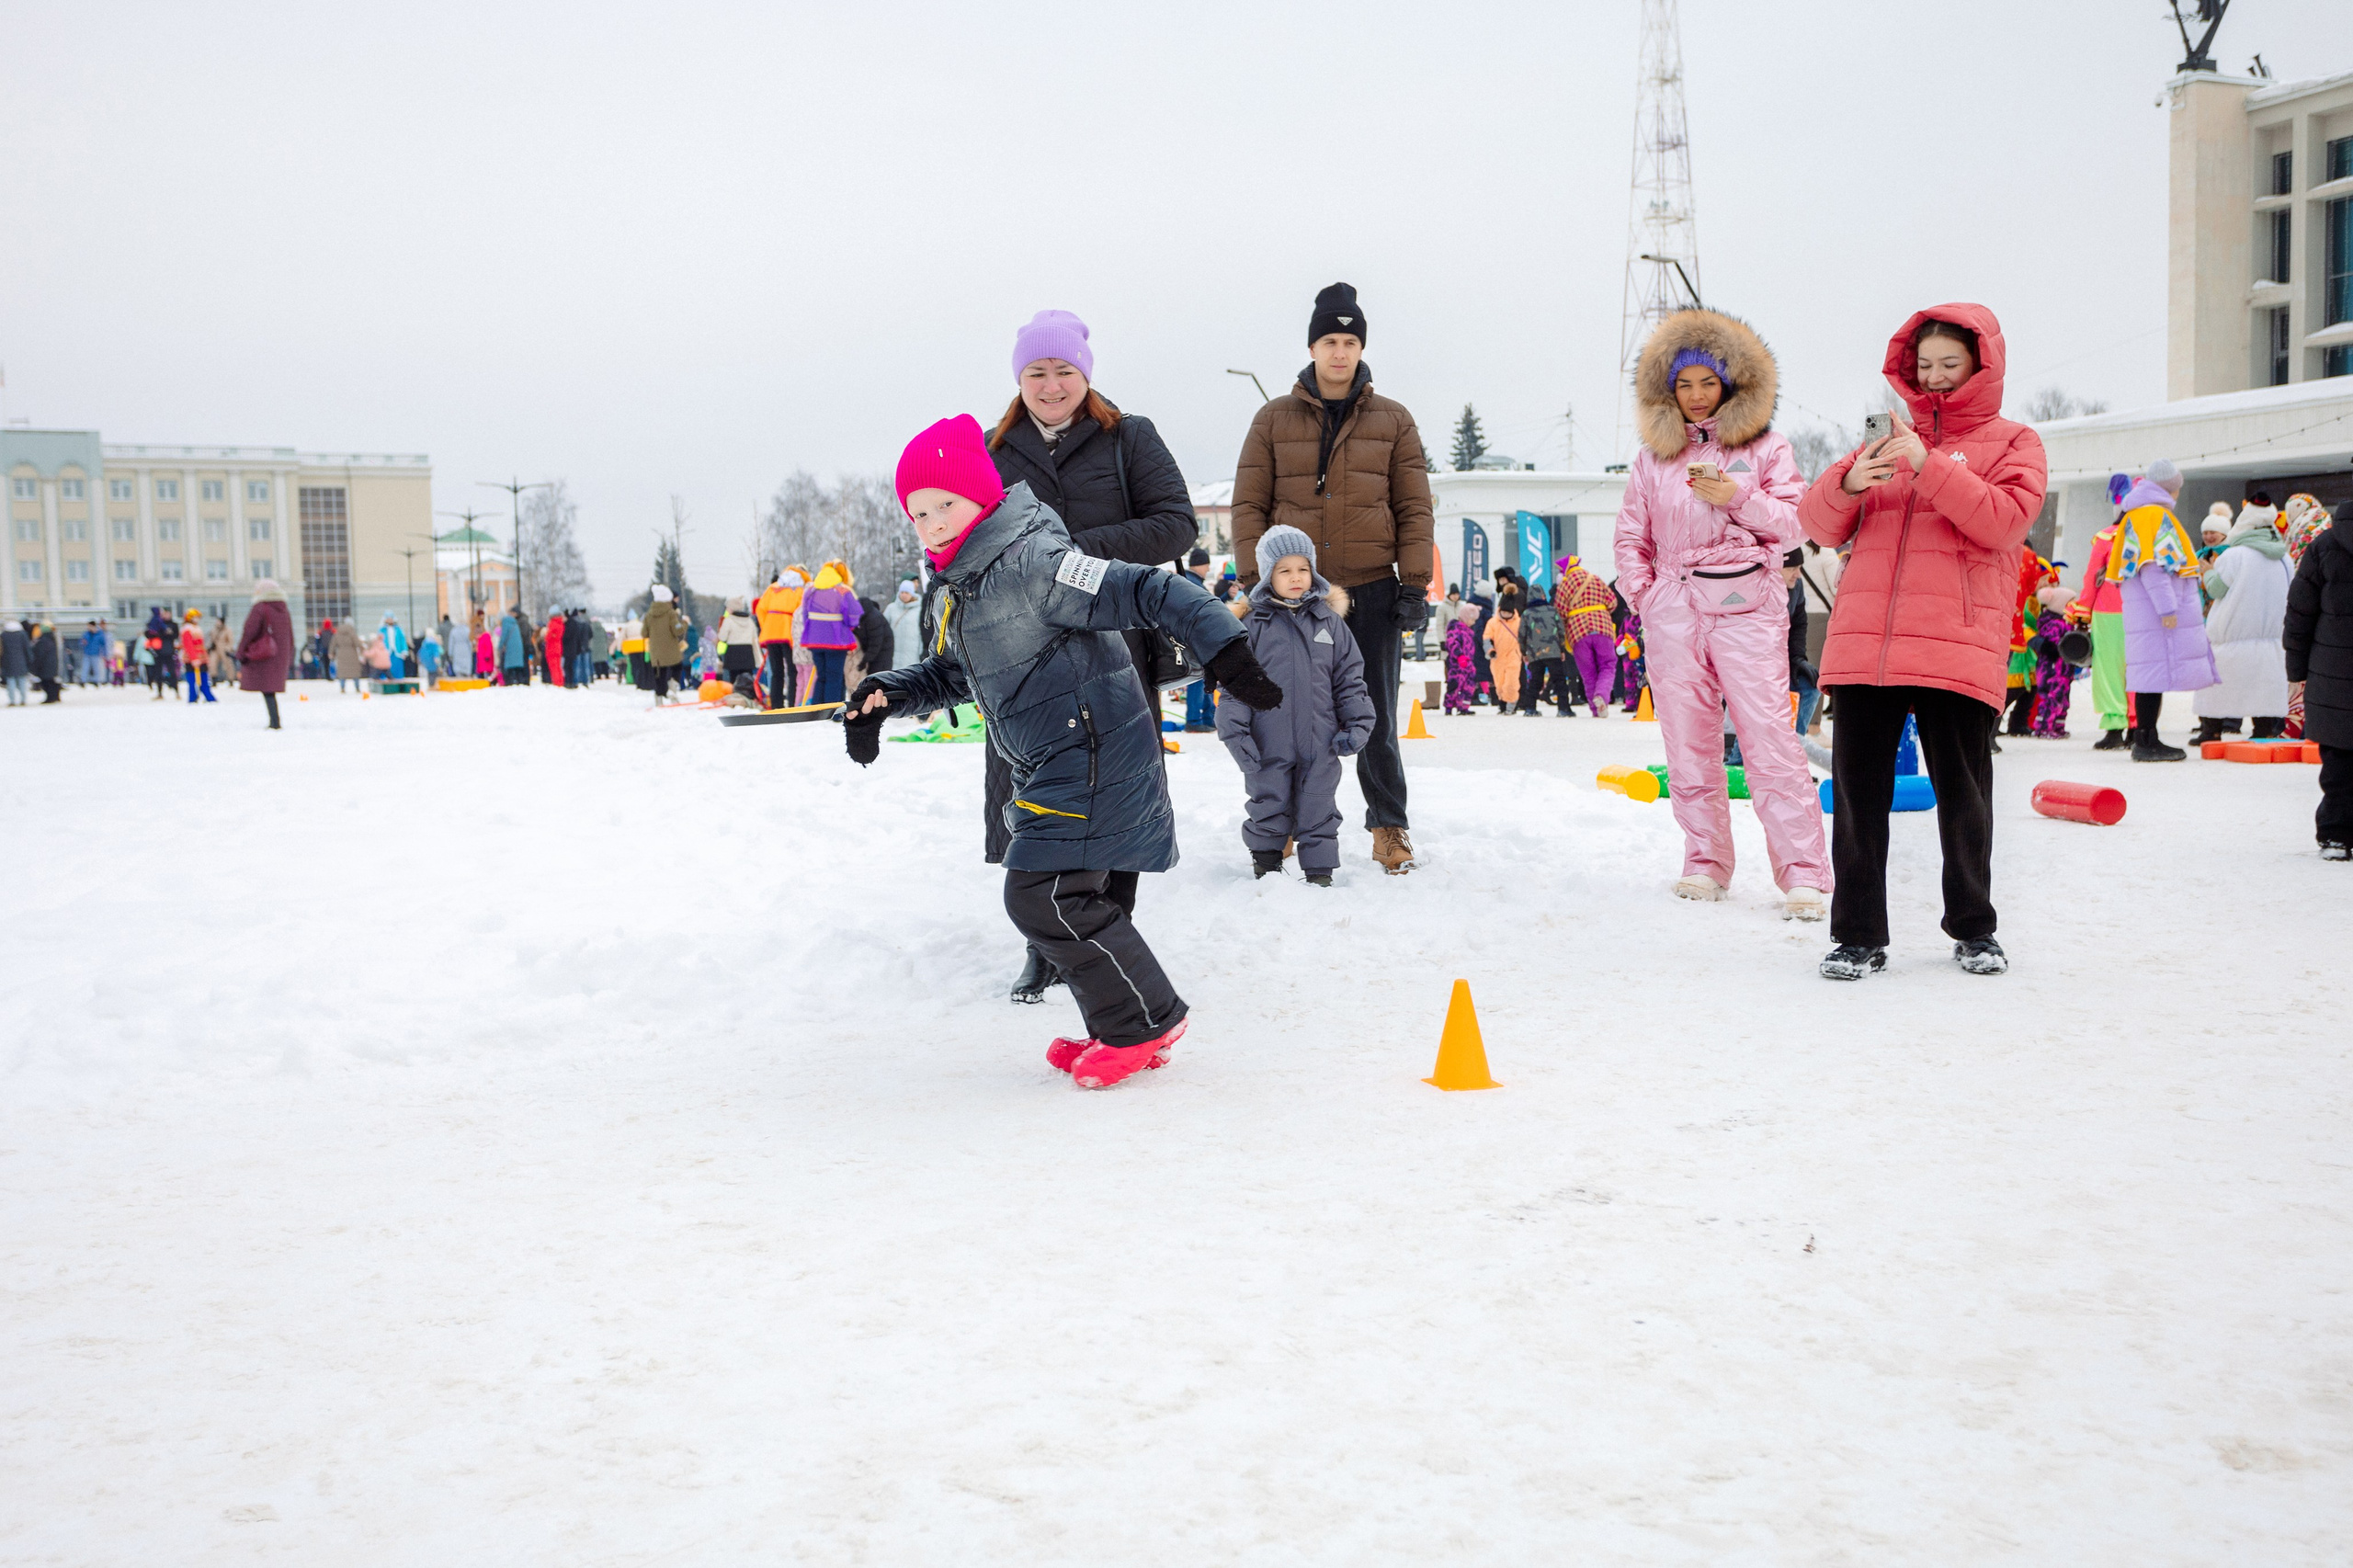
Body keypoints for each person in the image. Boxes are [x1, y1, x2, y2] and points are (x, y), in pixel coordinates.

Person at [843, 414, 1280, 1088]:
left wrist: (1226, 645)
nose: (931, 523)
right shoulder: (961, 585)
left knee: (1042, 897)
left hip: (1096, 749)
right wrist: (886, 694)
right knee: (1063, 896)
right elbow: (957, 673)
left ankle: (1144, 1022)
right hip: (1053, 758)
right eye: (918, 512)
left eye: (945, 505)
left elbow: (1151, 588)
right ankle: (1124, 1024)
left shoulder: (1035, 561)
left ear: (982, 498)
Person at [1799, 304, 2046, 980]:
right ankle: (1856, 936)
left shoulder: (2014, 442)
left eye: (1950, 365)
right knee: (1856, 799)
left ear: (1980, 367)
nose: (1934, 377)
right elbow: (1817, 524)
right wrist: (1850, 480)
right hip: (1867, 645)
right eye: (1924, 365)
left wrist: (1929, 463)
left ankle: (1974, 928)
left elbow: (2004, 523)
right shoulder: (1881, 444)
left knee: (1964, 796)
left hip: (1955, 645)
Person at [987, 308, 1202, 998]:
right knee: (1032, 789)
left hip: (1114, 638)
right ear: (1019, 379)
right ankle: (1045, 942)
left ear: (1086, 375)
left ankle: (1111, 927)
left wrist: (1075, 555)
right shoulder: (994, 450)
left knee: (1115, 782)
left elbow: (1175, 526)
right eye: (1036, 374)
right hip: (1024, 653)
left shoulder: (1128, 438)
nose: (1051, 387)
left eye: (1064, 372)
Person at [1617, 307, 1830, 920]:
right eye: (1683, 385)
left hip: (1747, 610)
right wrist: (1646, 596)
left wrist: (1736, 496)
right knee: (1687, 742)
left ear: (1731, 383)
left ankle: (1804, 871)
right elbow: (1632, 535)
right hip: (1672, 613)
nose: (1696, 396)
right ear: (1667, 390)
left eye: (1707, 382)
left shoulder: (1766, 448)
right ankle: (1705, 861)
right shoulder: (1652, 458)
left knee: (1769, 739)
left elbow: (1795, 525)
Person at [1230, 281, 1435, 875]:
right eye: (1329, 340)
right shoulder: (1272, 420)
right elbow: (1248, 506)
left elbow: (1414, 506)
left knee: (1373, 714)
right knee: (1287, 718)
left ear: (1361, 346)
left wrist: (1414, 584)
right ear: (1313, 346)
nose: (1339, 352)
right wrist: (1253, 580)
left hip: (1370, 588)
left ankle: (1388, 826)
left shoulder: (1393, 420)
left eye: (1349, 341)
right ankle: (1287, 823)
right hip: (1295, 595)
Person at [1218, 526, 1375, 885]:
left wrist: (1358, 722)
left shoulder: (1330, 623)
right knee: (1267, 798)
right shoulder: (1250, 626)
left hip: (1321, 738)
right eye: (1284, 570)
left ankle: (1319, 872)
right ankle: (1267, 863)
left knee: (1319, 803)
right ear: (1267, 574)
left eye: (1302, 569)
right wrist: (1235, 733)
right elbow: (1236, 686)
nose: (1295, 577)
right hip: (1266, 738)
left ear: (1313, 572)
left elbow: (1350, 679)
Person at [2107, 460, 2216, 761]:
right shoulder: (2154, 515)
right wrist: (2168, 608)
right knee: (2151, 677)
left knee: (2149, 675)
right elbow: (2153, 566)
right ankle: (2146, 741)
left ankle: (2146, 738)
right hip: (2156, 614)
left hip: (2144, 613)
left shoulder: (2139, 514)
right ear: (2170, 487)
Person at [2192, 500, 2292, 743]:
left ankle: (2212, 731)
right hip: (2271, 634)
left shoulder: (2235, 556)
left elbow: (2216, 589)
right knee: (2264, 686)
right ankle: (2264, 730)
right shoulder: (2284, 558)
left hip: (2232, 632)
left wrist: (2207, 571)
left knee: (2219, 685)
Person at [2282, 498, 2347, 858]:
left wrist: (2296, 669)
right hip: (2330, 670)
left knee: (2338, 754)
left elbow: (2299, 613)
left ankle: (2335, 835)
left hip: (2331, 671)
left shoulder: (2322, 545)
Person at [2071, 479, 2133, 748]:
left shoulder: (2106, 537)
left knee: (2110, 670)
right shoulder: (2152, 538)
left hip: (2108, 612)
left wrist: (2082, 613)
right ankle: (2138, 726)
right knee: (2137, 671)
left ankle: (2114, 729)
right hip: (2141, 613)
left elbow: (2090, 579)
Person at [1553, 555, 1618, 719]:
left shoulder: (1565, 585)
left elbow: (1560, 611)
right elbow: (1612, 602)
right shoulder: (1595, 579)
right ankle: (1601, 696)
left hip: (1578, 632)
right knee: (1607, 665)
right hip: (1602, 628)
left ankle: (1596, 710)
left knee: (1588, 673)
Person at [792, 564, 861, 704]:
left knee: (821, 675)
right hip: (837, 641)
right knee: (834, 676)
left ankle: (818, 709)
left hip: (814, 641)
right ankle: (833, 711)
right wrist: (849, 626)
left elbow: (805, 615)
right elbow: (854, 614)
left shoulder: (810, 592)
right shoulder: (842, 592)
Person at [234, 578, 294, 729]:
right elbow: (290, 634)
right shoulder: (283, 608)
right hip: (279, 653)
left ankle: (275, 722)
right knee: (270, 687)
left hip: (264, 654)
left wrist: (241, 651)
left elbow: (249, 631)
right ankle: (275, 720)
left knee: (267, 687)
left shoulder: (260, 607)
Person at [754, 567, 807, 710]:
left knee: (776, 672)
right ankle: (792, 704)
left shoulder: (772, 589)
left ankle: (776, 705)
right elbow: (801, 613)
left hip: (770, 633)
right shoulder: (798, 591)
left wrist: (767, 625)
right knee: (792, 671)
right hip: (788, 633)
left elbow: (760, 609)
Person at [1517, 588, 1570, 715]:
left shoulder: (1526, 614)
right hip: (1553, 651)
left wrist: (1524, 653)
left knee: (1535, 680)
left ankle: (1530, 708)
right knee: (1559, 680)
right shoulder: (1552, 611)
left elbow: (1521, 635)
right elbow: (1561, 631)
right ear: (1543, 596)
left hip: (1535, 653)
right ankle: (1563, 709)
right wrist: (1562, 649)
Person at [1181, 549, 1218, 730]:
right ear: (1199, 564)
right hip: (1195, 638)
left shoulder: (1192, 581)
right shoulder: (1192, 582)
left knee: (1203, 677)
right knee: (1197, 678)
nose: (1208, 567)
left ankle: (1206, 718)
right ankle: (1195, 720)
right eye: (1206, 563)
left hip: (1195, 637)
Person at [642, 584, 688, 702]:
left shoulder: (649, 615)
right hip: (671, 649)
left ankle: (659, 698)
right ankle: (672, 687)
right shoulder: (670, 613)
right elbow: (678, 630)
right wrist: (685, 623)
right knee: (677, 667)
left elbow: (644, 633)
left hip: (655, 650)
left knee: (659, 673)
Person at [1483, 589, 1523, 713]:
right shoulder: (1493, 622)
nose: (1505, 614)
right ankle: (1502, 705)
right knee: (1499, 683)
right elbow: (1487, 638)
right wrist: (1490, 650)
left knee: (1511, 683)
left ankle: (1511, 707)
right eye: (1503, 612)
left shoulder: (1519, 622)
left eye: (1508, 612)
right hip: (1497, 657)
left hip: (1513, 655)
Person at [718, 595, 760, 697]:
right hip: (747, 651)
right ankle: (747, 694)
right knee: (747, 676)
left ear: (732, 608)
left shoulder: (729, 620)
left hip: (733, 652)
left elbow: (722, 637)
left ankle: (735, 695)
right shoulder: (750, 621)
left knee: (734, 677)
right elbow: (755, 637)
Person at [1442, 601, 1479, 715]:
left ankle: (1463, 706)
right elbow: (1452, 644)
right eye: (1472, 620)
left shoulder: (1469, 631)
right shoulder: (1455, 629)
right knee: (1454, 685)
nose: (1473, 623)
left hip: (1468, 664)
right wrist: (1460, 656)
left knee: (1468, 686)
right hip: (1457, 664)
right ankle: (1449, 706)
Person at [881, 580, 923, 676]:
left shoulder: (919, 609)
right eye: (902, 592)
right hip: (893, 652)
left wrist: (921, 650)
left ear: (912, 594)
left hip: (912, 653)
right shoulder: (891, 608)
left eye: (907, 592)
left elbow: (922, 631)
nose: (904, 595)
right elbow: (884, 628)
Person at [179, 610, 213, 703]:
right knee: (192, 679)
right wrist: (194, 658)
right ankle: (193, 697)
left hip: (201, 657)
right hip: (191, 658)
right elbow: (188, 645)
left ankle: (208, 696)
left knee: (204, 678)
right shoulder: (187, 629)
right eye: (195, 617)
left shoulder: (197, 628)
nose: (197, 619)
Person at [28, 622, 61, 703]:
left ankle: (50, 698)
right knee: (51, 681)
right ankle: (55, 697)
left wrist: (35, 666)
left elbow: (40, 654)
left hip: (45, 666)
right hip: (52, 665)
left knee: (46, 682)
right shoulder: (52, 639)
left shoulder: (43, 641)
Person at [2, 619, 28, 706]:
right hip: (21, 661)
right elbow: (27, 648)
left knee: (11, 682)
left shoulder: (3, 635)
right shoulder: (22, 634)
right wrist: (29, 660)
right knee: (22, 682)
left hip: (8, 661)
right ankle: (23, 699)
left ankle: (12, 700)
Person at [541, 607, 567, 688]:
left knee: (553, 667)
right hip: (558, 647)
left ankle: (556, 683)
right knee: (558, 667)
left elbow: (548, 637)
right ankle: (560, 682)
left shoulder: (552, 623)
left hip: (551, 648)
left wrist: (546, 635)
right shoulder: (561, 623)